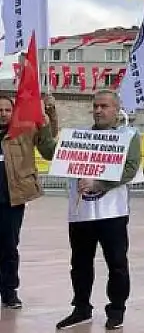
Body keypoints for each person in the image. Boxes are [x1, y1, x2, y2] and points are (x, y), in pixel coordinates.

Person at [56, 91, 142, 331]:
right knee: (80, 263)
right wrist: (48, 120)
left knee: (116, 263)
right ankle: (81, 307)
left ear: (116, 109)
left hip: (112, 213)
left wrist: (100, 184)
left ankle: (116, 310)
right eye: (95, 106)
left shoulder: (128, 135)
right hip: (81, 213)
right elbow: (55, 154)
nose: (98, 110)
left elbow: (131, 168)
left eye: (104, 106)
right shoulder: (79, 136)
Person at [0, 94, 58, 310]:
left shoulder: (24, 132)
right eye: (0, 110)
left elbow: (50, 150)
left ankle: (9, 292)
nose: (4, 114)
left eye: (7, 110)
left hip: (12, 200)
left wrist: (48, 116)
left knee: (9, 247)